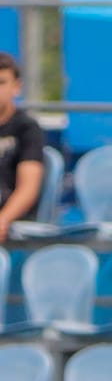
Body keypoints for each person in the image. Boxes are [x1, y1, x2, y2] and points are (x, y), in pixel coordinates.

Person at [0, 53, 49, 241]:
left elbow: (28, 188)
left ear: (17, 87)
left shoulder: (27, 128)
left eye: (1, 82)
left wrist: (3, 219)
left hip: (11, 219)